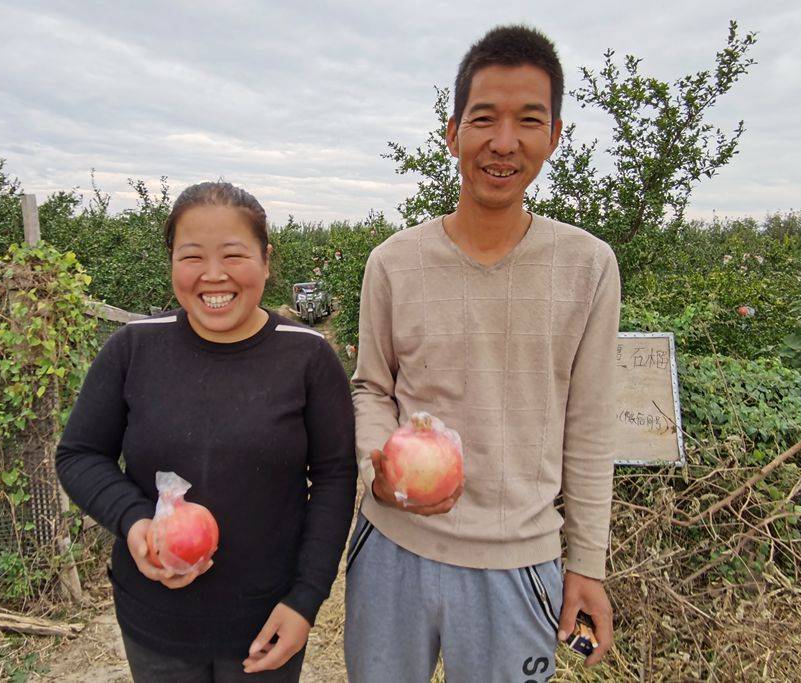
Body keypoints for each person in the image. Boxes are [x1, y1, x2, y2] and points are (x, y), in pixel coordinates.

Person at [344, 25, 620, 682]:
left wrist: (587, 562)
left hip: (519, 563)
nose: (503, 142)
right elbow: (370, 388)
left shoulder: (588, 266)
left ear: (554, 136)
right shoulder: (394, 262)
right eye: (483, 119)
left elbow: (590, 422)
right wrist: (378, 467)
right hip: (392, 549)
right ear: (452, 133)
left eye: (528, 120)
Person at [56, 181, 357, 682]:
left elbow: (334, 477)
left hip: (266, 622)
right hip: (154, 621)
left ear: (266, 258)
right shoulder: (134, 349)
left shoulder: (307, 357)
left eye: (234, 255)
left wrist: (305, 600)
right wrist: (134, 522)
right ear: (172, 261)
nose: (213, 275)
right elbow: (80, 455)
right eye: (191, 256)